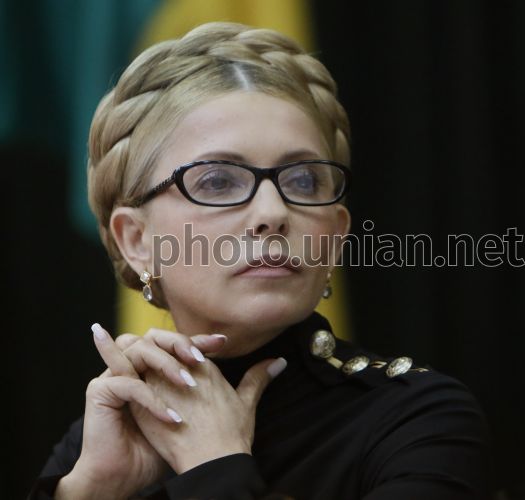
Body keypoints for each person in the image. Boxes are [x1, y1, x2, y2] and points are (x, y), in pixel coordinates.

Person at [28, 22, 491, 499]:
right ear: (137, 240)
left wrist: (215, 465)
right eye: (217, 181)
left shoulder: (420, 421)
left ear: (335, 234)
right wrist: (90, 490)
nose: (273, 212)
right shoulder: (107, 434)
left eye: (304, 181)